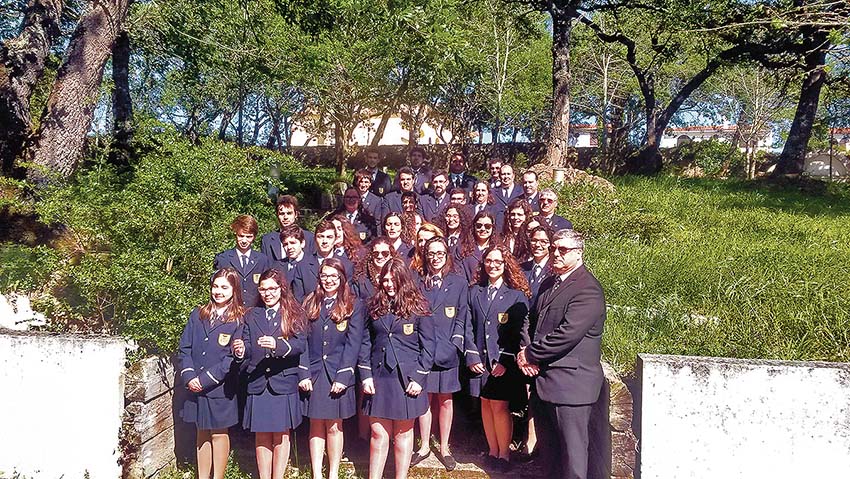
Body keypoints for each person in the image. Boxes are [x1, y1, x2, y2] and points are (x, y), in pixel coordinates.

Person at [517, 229, 606, 479]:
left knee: (573, 459)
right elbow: (529, 318)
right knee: (551, 457)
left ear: (579, 253)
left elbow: (567, 334)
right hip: (544, 383)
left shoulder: (588, 289)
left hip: (571, 388)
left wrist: (530, 354)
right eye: (553, 248)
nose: (555, 253)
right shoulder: (549, 281)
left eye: (562, 249)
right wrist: (525, 351)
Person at [358, 257, 435, 479]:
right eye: (385, 280)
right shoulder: (373, 305)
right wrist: (365, 375)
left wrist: (418, 379)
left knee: (403, 434)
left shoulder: (419, 306)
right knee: (378, 434)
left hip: (407, 379)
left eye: (394, 280)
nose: (389, 284)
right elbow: (365, 342)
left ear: (404, 280)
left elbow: (428, 346)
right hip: (379, 377)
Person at [233, 269, 308, 479]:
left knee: (281, 435)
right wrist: (240, 351)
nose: (267, 294)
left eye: (272, 289)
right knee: (261, 435)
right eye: (263, 289)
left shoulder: (294, 313)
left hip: (282, 382)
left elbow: (300, 345)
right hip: (258, 382)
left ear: (281, 289)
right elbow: (247, 345)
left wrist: (278, 345)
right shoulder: (251, 314)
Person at [465, 245, 531, 473]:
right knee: (485, 404)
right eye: (489, 261)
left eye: (498, 262)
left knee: (500, 407)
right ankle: (492, 451)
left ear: (506, 265)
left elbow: (519, 333)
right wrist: (472, 355)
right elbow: (466, 326)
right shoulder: (474, 291)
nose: (492, 265)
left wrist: (505, 361)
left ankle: (504, 454)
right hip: (479, 362)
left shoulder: (516, 296)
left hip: (503, 363)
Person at [300, 258, 365, 479]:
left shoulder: (353, 305)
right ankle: (317, 474)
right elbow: (302, 342)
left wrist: (344, 376)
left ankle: (333, 473)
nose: (328, 280)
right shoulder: (309, 302)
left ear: (341, 278)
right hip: (315, 373)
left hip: (337, 374)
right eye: (324, 276)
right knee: (316, 425)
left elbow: (353, 344)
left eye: (333, 276)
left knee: (335, 427)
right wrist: (304, 373)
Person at [178, 268, 246, 479]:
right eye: (215, 286)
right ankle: (203, 476)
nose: (218, 291)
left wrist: (205, 380)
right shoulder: (198, 314)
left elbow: (231, 360)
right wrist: (190, 377)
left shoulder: (239, 319)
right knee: (202, 431)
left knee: (218, 432)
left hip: (219, 388)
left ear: (234, 290)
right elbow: (184, 349)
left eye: (224, 287)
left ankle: (218, 476)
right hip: (195, 386)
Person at [411, 237, 467, 472]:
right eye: (431, 253)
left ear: (446, 255)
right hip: (423, 352)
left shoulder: (458, 283)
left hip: (446, 353)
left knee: (445, 400)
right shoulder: (416, 281)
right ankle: (424, 446)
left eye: (440, 253)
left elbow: (462, 319)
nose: (435, 257)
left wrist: (454, 347)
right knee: (424, 400)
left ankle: (444, 448)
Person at [214, 215, 272, 307]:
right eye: (241, 236)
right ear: (235, 234)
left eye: (249, 237)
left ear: (254, 237)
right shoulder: (223, 259)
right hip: (230, 312)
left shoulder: (262, 260)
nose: (244, 240)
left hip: (256, 313)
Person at [262, 195, 316, 263]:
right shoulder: (267, 240)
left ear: (296, 214)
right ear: (277, 215)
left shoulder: (309, 238)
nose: (285, 217)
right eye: (282, 214)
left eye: (289, 213)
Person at [352, 237, 399, 301]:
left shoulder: (399, 276)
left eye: (384, 253)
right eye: (376, 253)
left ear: (391, 255)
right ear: (371, 255)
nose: (380, 256)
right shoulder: (360, 281)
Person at [280, 225, 319, 303]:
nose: (289, 247)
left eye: (293, 243)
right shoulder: (277, 265)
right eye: (285, 244)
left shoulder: (315, 263)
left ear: (302, 243)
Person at [459, 210, 500, 282]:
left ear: (493, 228)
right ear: (474, 227)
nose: (483, 229)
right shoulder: (461, 249)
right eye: (479, 226)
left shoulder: (499, 250)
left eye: (487, 226)